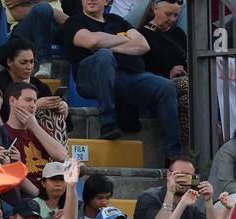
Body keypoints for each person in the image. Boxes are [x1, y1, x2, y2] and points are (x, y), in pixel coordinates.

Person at [63, 0, 181, 161]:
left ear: (107, 1)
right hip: (90, 79)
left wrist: (105, 43)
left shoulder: (116, 20)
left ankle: (173, 155)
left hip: (125, 76)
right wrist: (124, 39)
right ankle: (108, 121)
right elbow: (92, 41)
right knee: (103, 56)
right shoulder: (74, 22)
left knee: (165, 86)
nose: (90, 0)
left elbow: (143, 45)